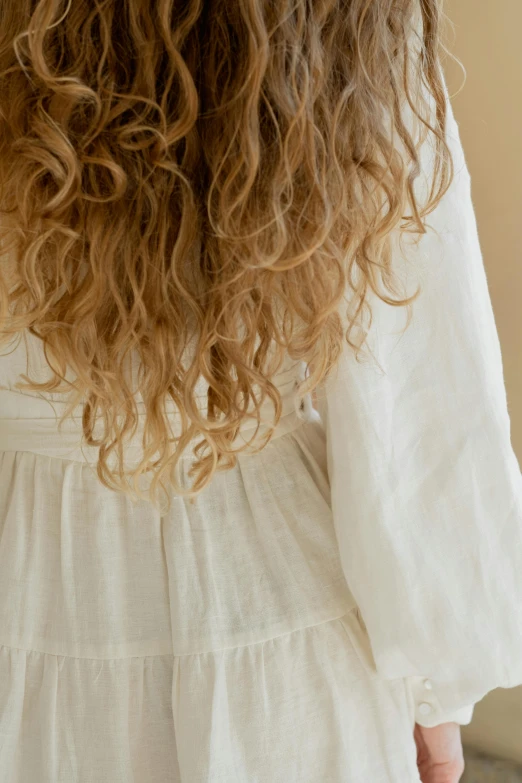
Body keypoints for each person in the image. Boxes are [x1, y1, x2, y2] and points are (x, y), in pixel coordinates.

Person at [1, 1, 522, 781]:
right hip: (276, 600)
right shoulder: (352, 16)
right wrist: (436, 691)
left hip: (26, 576)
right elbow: (417, 371)